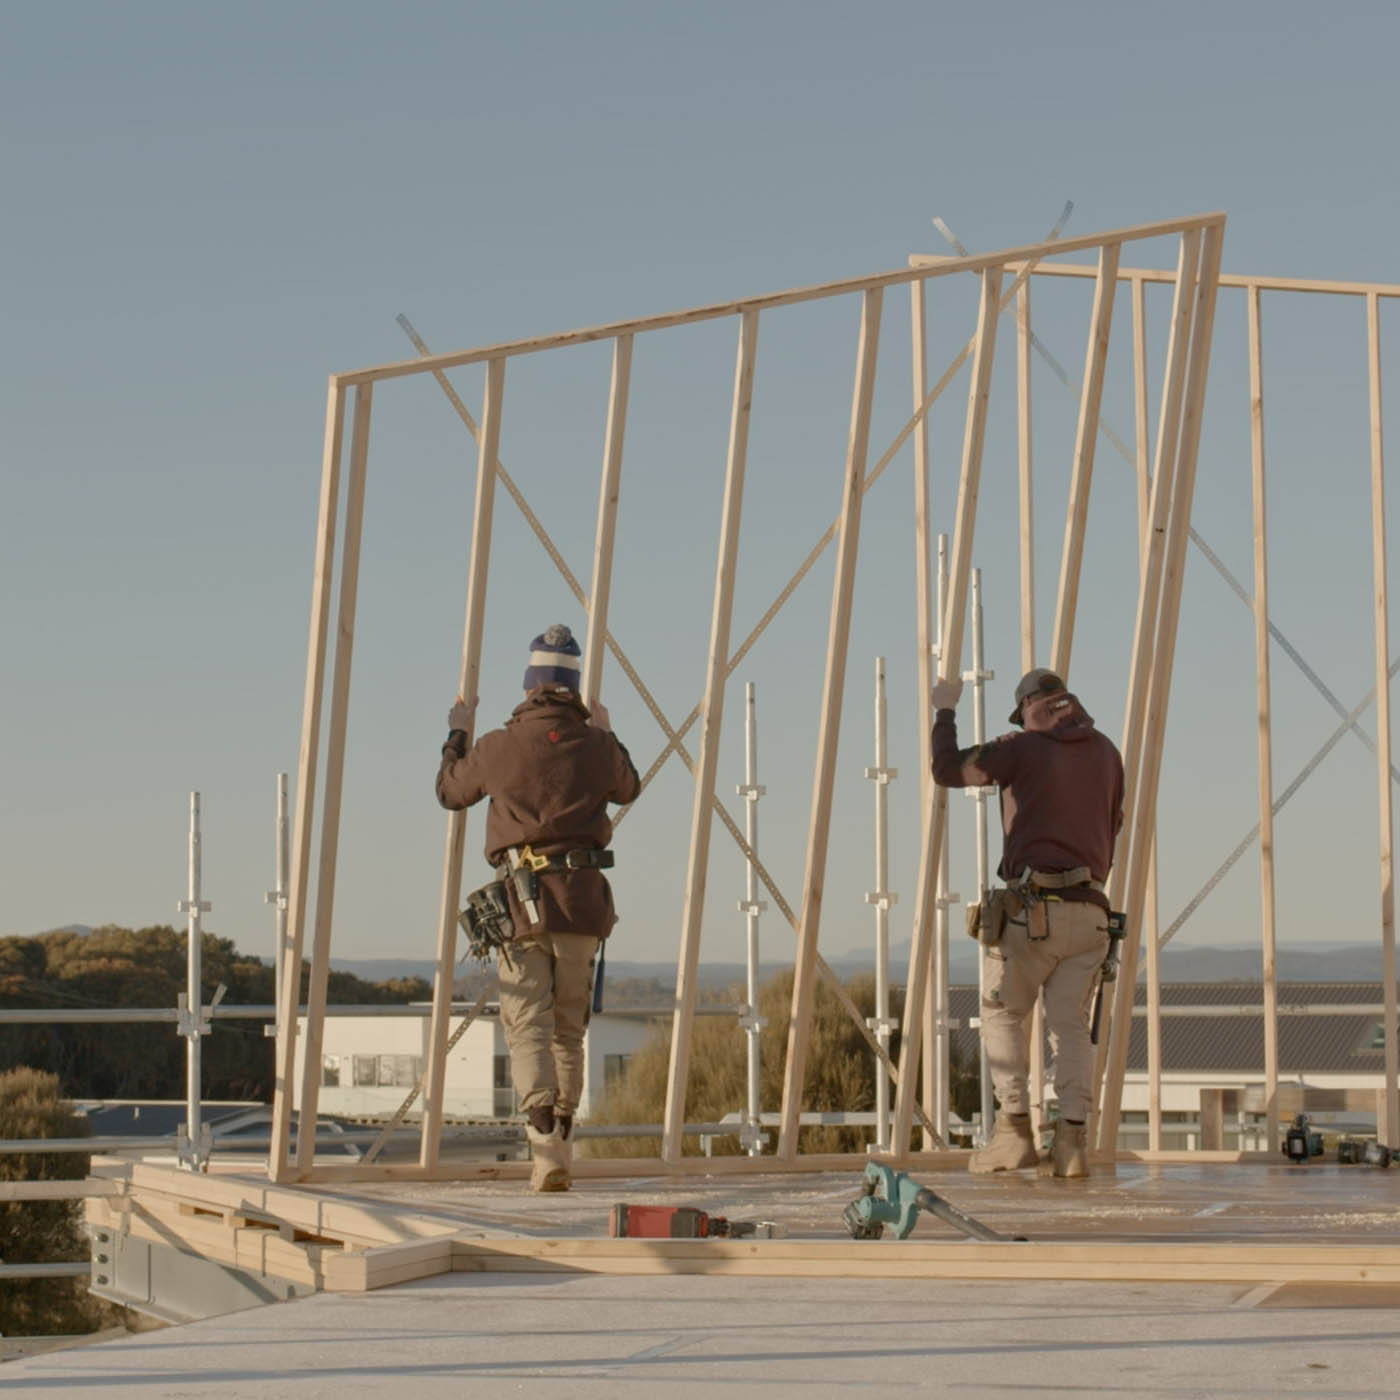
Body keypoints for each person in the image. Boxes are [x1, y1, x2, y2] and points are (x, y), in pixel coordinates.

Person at [436, 623, 640, 1191]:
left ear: (530, 686)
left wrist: (457, 733)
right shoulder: (597, 746)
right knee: (569, 1028)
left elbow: (450, 791)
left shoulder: (499, 746)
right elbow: (629, 788)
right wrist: (608, 732)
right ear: (573, 687)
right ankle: (562, 1141)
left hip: (521, 906)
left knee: (528, 1025)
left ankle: (545, 1139)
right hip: (582, 905)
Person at [930, 667, 1124, 1178]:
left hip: (1035, 910)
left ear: (1028, 710)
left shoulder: (1023, 747)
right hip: (1092, 913)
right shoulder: (1107, 753)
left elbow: (947, 769)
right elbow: (1115, 825)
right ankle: (1072, 1144)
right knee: (1071, 1028)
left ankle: (1014, 1132)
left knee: (1001, 1013)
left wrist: (945, 708)